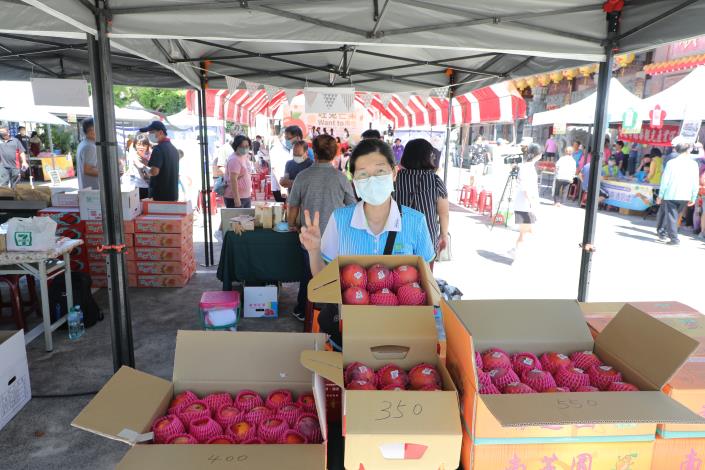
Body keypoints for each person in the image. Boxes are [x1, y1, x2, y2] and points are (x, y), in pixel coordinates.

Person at [300, 138, 435, 276]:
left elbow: (426, 279)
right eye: (363, 174)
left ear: (394, 173)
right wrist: (314, 251)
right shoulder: (339, 219)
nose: (372, 180)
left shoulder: (416, 222)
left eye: (380, 171)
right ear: (353, 179)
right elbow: (324, 278)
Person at [287, 134, 357, 321]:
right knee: (336, 276)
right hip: (337, 237)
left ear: (314, 153)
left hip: (309, 236)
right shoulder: (341, 178)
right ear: (335, 154)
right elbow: (353, 207)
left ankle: (304, 309)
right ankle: (333, 313)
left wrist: (291, 224)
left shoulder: (303, 176)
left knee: (308, 275)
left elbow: (293, 205)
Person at [394, 139, 449, 257]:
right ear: (427, 157)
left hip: (398, 240)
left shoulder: (395, 179)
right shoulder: (435, 180)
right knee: (425, 273)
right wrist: (443, 235)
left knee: (399, 273)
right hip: (427, 240)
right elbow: (444, 213)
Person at [656, 137, 699, 245]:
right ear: (688, 150)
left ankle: (674, 238)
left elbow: (665, 180)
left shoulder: (671, 163)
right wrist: (693, 197)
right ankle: (672, 236)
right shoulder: (694, 164)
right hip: (685, 194)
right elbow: (695, 182)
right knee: (675, 217)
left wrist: (660, 195)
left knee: (671, 217)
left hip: (671, 193)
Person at [512, 143, 542, 257]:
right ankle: (517, 253)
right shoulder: (527, 167)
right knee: (524, 233)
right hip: (526, 203)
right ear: (537, 154)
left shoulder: (527, 166)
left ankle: (516, 251)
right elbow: (526, 188)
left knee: (528, 231)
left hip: (525, 202)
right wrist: (532, 202)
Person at [139, 121, 180, 201]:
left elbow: (155, 172)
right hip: (173, 195)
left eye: (152, 132)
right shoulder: (174, 149)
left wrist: (147, 173)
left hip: (160, 196)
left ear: (161, 132)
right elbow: (165, 167)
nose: (149, 135)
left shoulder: (158, 149)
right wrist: (148, 163)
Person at [270, 125, 304, 202]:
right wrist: (282, 188)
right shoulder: (276, 148)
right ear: (282, 136)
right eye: (287, 138)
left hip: (291, 185)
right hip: (280, 188)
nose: (288, 140)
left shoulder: (292, 148)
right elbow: (275, 169)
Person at [223, 135, 253, 208]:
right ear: (236, 146)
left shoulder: (243, 156)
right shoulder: (234, 160)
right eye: (242, 146)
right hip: (236, 198)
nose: (245, 148)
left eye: (247, 146)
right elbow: (233, 180)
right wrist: (237, 200)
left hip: (245, 196)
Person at [76, 118, 99, 190]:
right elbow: (88, 170)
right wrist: (109, 173)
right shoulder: (90, 147)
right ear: (92, 130)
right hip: (93, 189)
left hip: (87, 188)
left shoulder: (83, 143)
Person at [126, 135, 151, 199]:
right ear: (135, 145)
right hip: (136, 187)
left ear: (147, 146)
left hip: (149, 188)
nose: (141, 147)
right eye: (139, 144)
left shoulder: (151, 156)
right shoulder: (133, 155)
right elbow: (140, 166)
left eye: (144, 145)